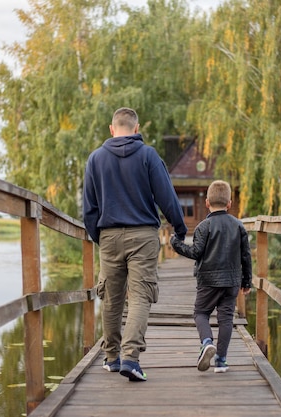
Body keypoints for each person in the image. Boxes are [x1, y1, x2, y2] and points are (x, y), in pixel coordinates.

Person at [83, 107, 188, 382]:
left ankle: (111, 357)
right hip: (143, 235)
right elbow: (166, 196)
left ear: (112, 128)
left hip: (109, 236)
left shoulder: (95, 159)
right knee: (140, 296)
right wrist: (179, 227)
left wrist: (100, 237)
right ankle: (131, 358)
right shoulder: (148, 155)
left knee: (111, 297)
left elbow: (89, 209)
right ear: (137, 128)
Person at [170, 180, 252, 373]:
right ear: (229, 203)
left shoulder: (203, 226)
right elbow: (246, 255)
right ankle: (221, 360)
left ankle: (206, 341)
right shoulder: (238, 226)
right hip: (231, 281)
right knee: (225, 319)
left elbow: (196, 252)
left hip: (208, 280)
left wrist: (176, 244)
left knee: (201, 313)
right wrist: (247, 280)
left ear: (207, 202)